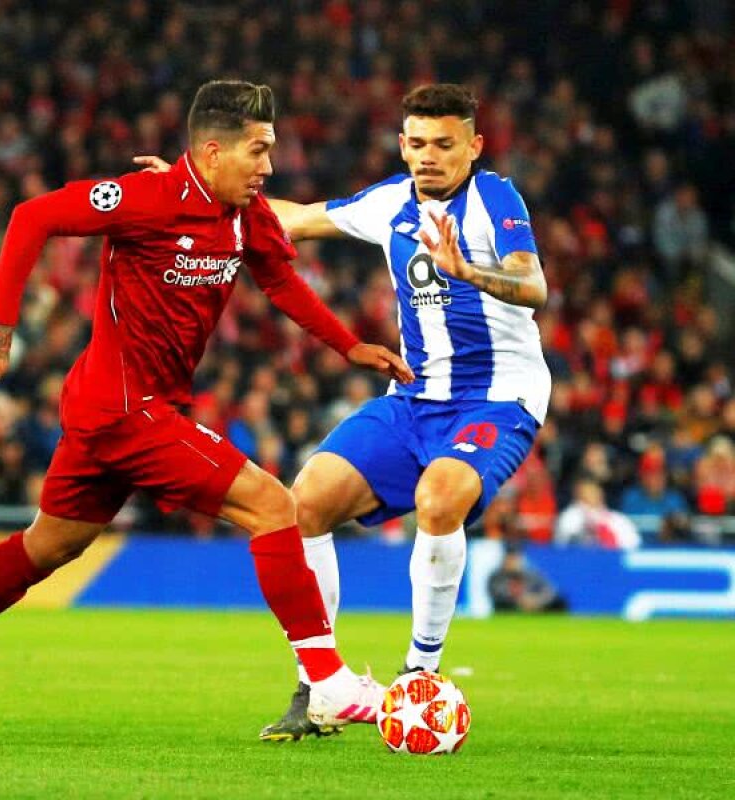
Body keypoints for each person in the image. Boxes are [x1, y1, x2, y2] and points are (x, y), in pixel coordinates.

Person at [0, 81, 413, 736]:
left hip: (122, 410)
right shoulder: (146, 200)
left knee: (49, 546)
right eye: (259, 151)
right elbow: (31, 217)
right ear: (212, 151)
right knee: (274, 506)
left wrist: (349, 343)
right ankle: (326, 681)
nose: (269, 167)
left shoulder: (245, 214)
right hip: (124, 409)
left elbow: (278, 278)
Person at [144, 83, 550, 740]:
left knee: (439, 497)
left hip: (496, 398)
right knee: (303, 503)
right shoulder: (391, 200)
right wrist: (194, 188)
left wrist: (468, 270)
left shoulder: (494, 198)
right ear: (402, 144)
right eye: (416, 143)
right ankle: (320, 685)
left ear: (473, 146)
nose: (428, 156)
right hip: (414, 400)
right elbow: (293, 217)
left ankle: (420, 676)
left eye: (444, 144)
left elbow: (533, 285)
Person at [487, 545, 567, 613]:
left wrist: (536, 600)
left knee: (560, 601)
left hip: (535, 605)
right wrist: (520, 601)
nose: (513, 562)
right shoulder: (496, 576)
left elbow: (549, 590)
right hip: (511, 607)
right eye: (510, 558)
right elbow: (497, 594)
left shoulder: (531, 574)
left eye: (516, 558)